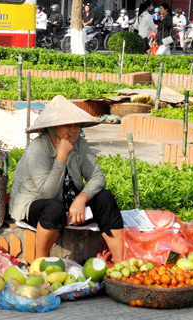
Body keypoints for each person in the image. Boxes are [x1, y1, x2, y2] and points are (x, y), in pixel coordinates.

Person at [8, 95, 125, 263]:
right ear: (52, 127)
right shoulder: (38, 149)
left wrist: (81, 198)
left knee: (105, 198)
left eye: (77, 124)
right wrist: (61, 158)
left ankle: (120, 264)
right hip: (36, 204)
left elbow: (97, 177)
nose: (75, 129)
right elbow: (48, 193)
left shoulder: (80, 144)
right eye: (68, 125)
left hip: (69, 205)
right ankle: (39, 261)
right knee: (53, 208)